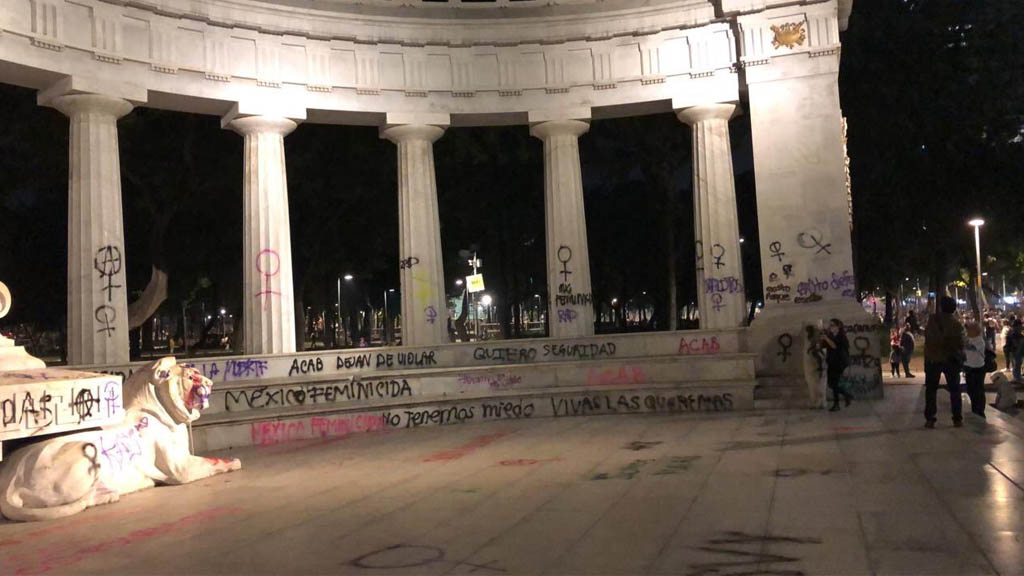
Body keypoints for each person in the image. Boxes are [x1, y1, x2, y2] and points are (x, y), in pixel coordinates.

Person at [923, 296, 966, 428]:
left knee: (931, 390)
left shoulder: (932, 321)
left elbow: (928, 338)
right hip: (951, 359)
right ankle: (957, 418)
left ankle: (930, 418)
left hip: (933, 359)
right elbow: (960, 343)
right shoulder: (957, 324)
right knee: (954, 389)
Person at [820, 318, 852, 411]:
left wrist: (826, 338)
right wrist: (823, 338)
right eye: (830, 325)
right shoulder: (831, 336)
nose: (830, 327)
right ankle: (844, 398)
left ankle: (840, 401)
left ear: (838, 327)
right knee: (832, 384)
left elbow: (834, 346)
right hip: (831, 362)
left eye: (832, 325)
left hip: (839, 363)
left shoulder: (841, 336)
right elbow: (823, 346)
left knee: (833, 383)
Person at [962, 321, 988, 418]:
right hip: (968, 367)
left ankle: (980, 409)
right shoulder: (968, 339)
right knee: (971, 389)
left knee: (979, 389)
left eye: (969, 329)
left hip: (978, 368)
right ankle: (974, 407)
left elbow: (972, 348)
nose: (967, 331)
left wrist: (964, 343)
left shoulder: (979, 340)